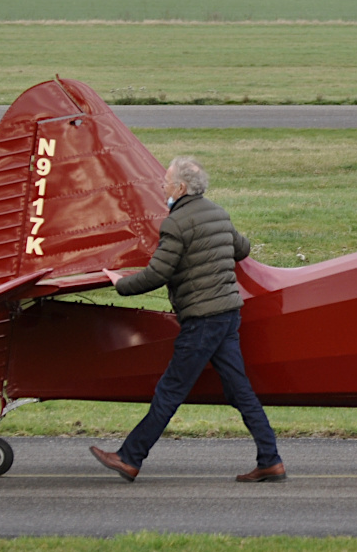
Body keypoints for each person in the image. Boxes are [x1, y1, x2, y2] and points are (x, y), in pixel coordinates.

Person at [90, 156, 285, 483]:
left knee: (170, 390)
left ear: (180, 188)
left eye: (166, 182)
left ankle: (129, 457)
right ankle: (271, 460)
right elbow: (243, 248)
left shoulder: (176, 224)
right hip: (227, 316)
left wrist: (120, 284)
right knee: (240, 392)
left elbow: (158, 273)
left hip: (202, 320)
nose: (162, 186)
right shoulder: (218, 213)